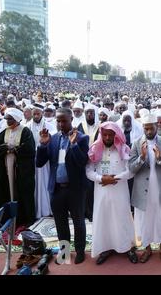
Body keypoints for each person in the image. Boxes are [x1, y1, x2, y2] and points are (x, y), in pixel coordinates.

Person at [36, 108, 89, 264]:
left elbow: (82, 162)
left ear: (71, 118)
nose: (60, 124)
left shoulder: (82, 138)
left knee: (79, 221)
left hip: (75, 189)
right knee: (60, 222)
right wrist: (43, 145)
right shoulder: (52, 139)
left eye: (64, 120)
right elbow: (39, 163)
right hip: (57, 189)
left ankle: (80, 251)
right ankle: (65, 251)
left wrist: (73, 145)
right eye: (58, 121)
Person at [86, 122, 138, 265]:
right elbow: (89, 171)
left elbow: (131, 171)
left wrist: (115, 178)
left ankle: (128, 247)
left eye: (110, 135)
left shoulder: (124, 149)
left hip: (119, 191)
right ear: (101, 135)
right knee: (103, 219)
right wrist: (101, 178)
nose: (107, 137)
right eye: (105, 135)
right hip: (101, 192)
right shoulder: (95, 149)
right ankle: (105, 248)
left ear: (116, 136)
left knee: (122, 218)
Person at [129, 113, 161, 263]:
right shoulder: (136, 144)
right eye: (146, 129)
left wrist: (160, 158)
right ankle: (147, 248)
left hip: (160, 187)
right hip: (143, 189)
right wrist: (141, 158)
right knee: (144, 219)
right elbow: (131, 168)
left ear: (157, 126)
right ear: (143, 128)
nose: (149, 132)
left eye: (151, 128)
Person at [0, 108, 36, 226]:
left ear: (16, 119)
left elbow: (30, 149)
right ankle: (5, 218)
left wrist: (15, 149)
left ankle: (23, 219)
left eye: (10, 119)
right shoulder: (4, 131)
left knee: (22, 192)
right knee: (4, 191)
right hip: (5, 168)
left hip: (20, 169)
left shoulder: (25, 131)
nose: (8, 121)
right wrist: (5, 148)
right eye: (7, 119)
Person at [26, 104, 57, 218]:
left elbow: (53, 138)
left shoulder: (50, 126)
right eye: (34, 113)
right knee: (36, 185)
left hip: (45, 160)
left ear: (42, 114)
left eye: (38, 113)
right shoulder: (27, 126)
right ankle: (36, 210)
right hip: (33, 160)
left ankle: (48, 209)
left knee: (46, 183)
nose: (36, 115)